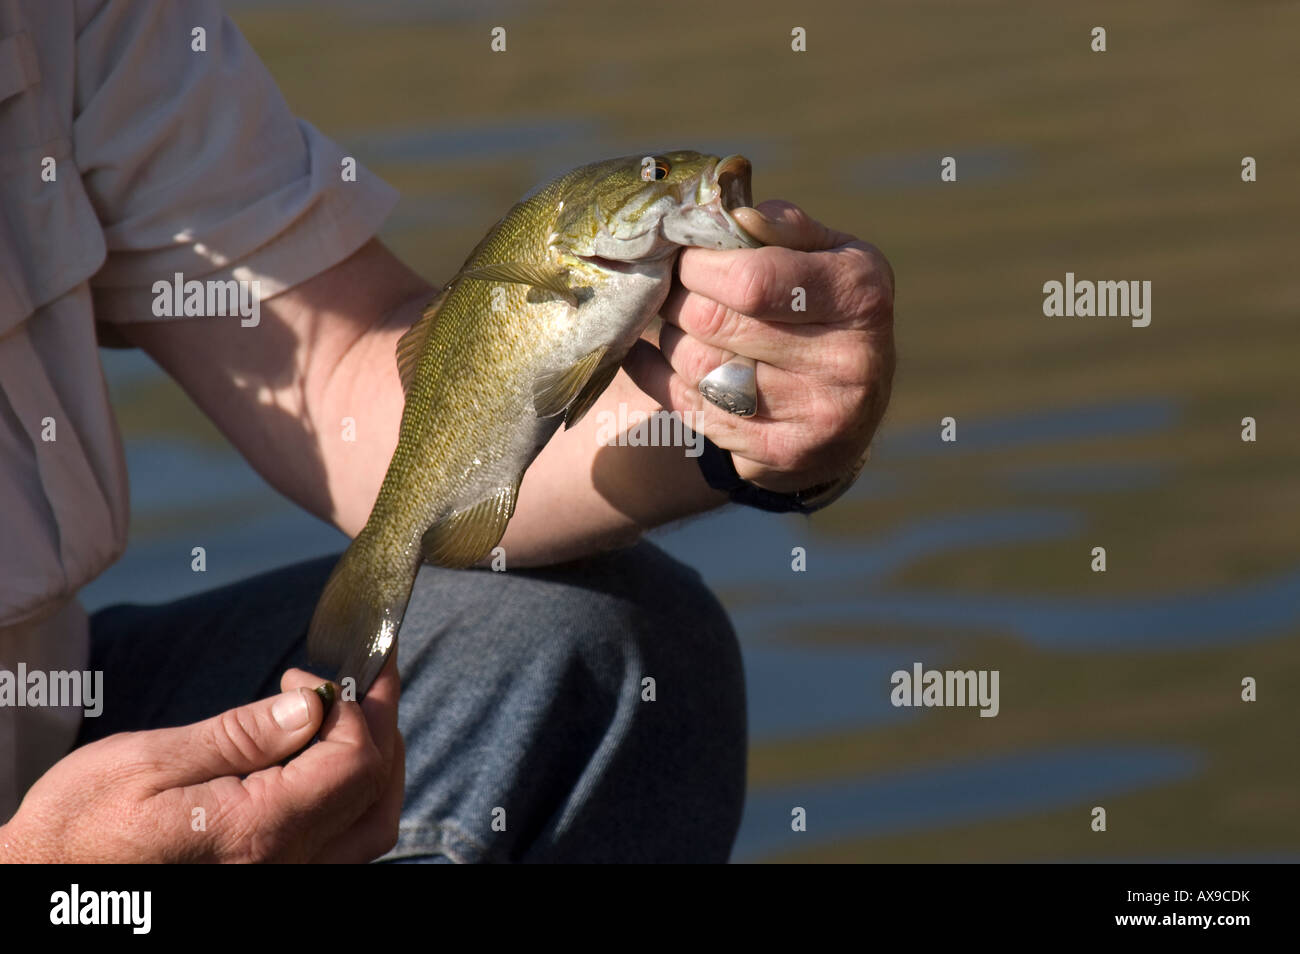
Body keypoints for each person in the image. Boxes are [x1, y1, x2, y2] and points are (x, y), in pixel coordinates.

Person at [0, 1, 895, 862]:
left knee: (611, 644)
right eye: (654, 177)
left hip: (57, 714)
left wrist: (751, 420)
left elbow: (340, 365)